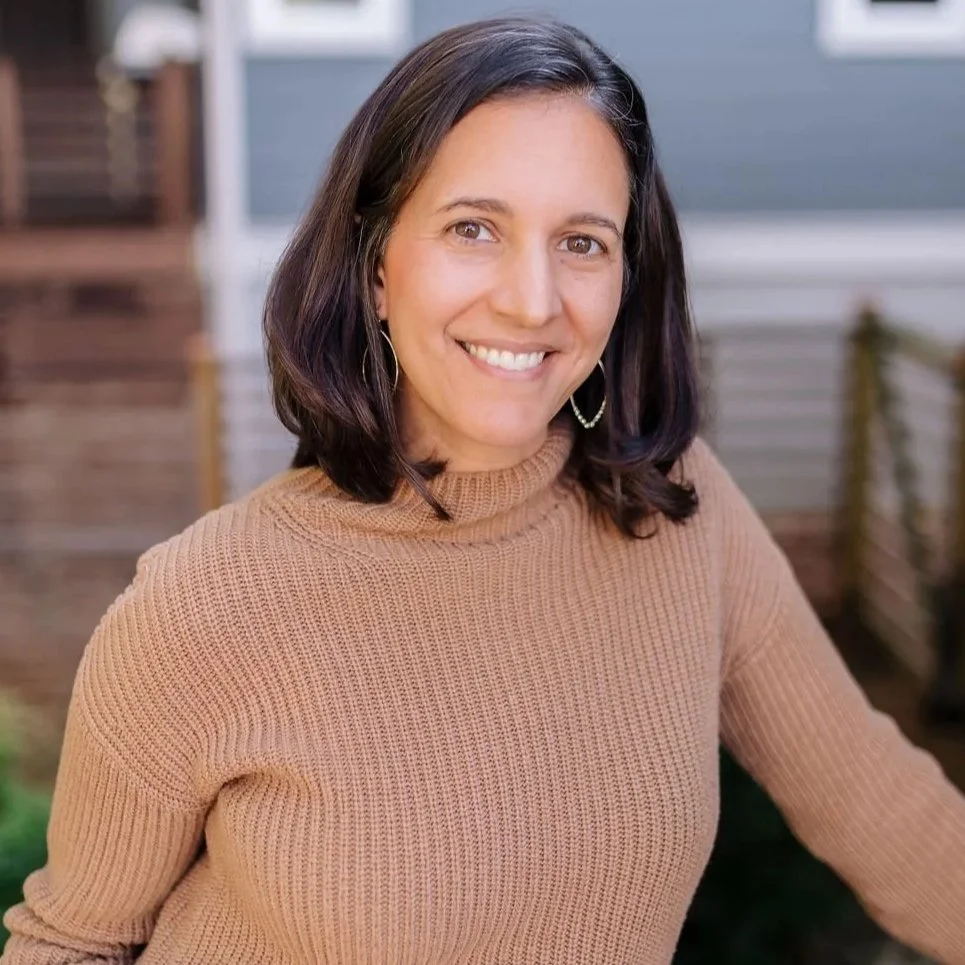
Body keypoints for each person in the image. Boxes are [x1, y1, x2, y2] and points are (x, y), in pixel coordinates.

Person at [3, 16, 964, 965]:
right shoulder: (210, 601)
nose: (531, 300)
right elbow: (69, 942)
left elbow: (883, 810)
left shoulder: (672, 511)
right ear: (377, 266)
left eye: (582, 242)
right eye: (474, 228)